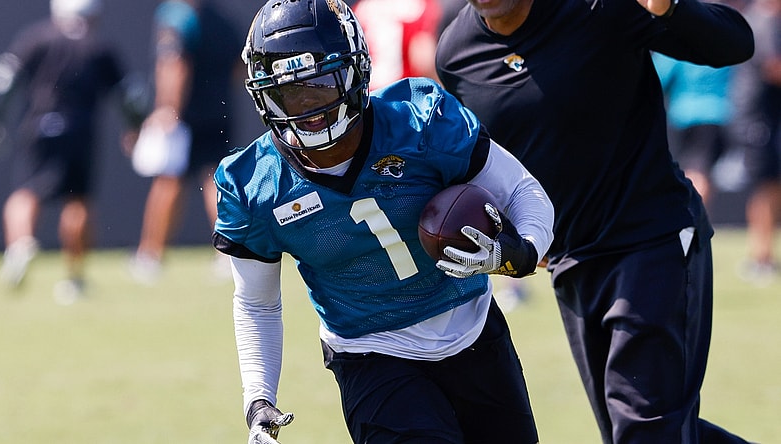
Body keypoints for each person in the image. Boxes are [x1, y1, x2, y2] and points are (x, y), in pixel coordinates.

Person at [213, 1, 554, 443]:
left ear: (354, 70)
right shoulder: (254, 183)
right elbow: (257, 302)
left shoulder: (420, 122)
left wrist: (520, 251)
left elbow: (524, 192)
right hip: (370, 353)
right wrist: (258, 398)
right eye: (289, 92)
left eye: (319, 84)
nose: (307, 106)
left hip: (473, 334)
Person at [436, 0, 754, 443]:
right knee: (646, 428)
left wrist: (670, 10)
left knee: (645, 427)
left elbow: (736, 44)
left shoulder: (599, 8)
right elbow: (487, 160)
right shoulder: (455, 52)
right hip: (573, 260)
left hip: (651, 238)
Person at [0, 0, 137, 303]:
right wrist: (134, 127)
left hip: (38, 127)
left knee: (26, 192)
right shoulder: (99, 47)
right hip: (80, 133)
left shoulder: (36, 38)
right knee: (78, 201)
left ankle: (20, 243)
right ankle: (74, 276)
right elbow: (129, 94)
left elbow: (2, 81)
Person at [128, 0, 242, 283]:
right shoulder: (222, 20)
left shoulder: (177, 15)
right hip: (219, 112)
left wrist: (168, 108)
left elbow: (174, 64)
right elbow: (239, 66)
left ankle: (150, 255)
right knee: (217, 181)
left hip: (185, 116)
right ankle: (228, 254)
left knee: (169, 181)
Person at [730, 0, 781, 284]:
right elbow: (773, 67)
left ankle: (764, 255)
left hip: (766, 119)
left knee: (772, 186)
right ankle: (760, 257)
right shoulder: (762, 21)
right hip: (756, 118)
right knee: (765, 186)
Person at [653, 52, 735, 209]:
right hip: (716, 113)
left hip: (683, 114)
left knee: (691, 172)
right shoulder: (725, 41)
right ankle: (694, 221)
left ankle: (692, 220)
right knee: (701, 173)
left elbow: (660, 76)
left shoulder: (682, 42)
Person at [352, 0, 443, 90]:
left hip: (369, 93)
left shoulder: (359, 8)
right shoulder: (419, 6)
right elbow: (423, 60)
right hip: (404, 95)